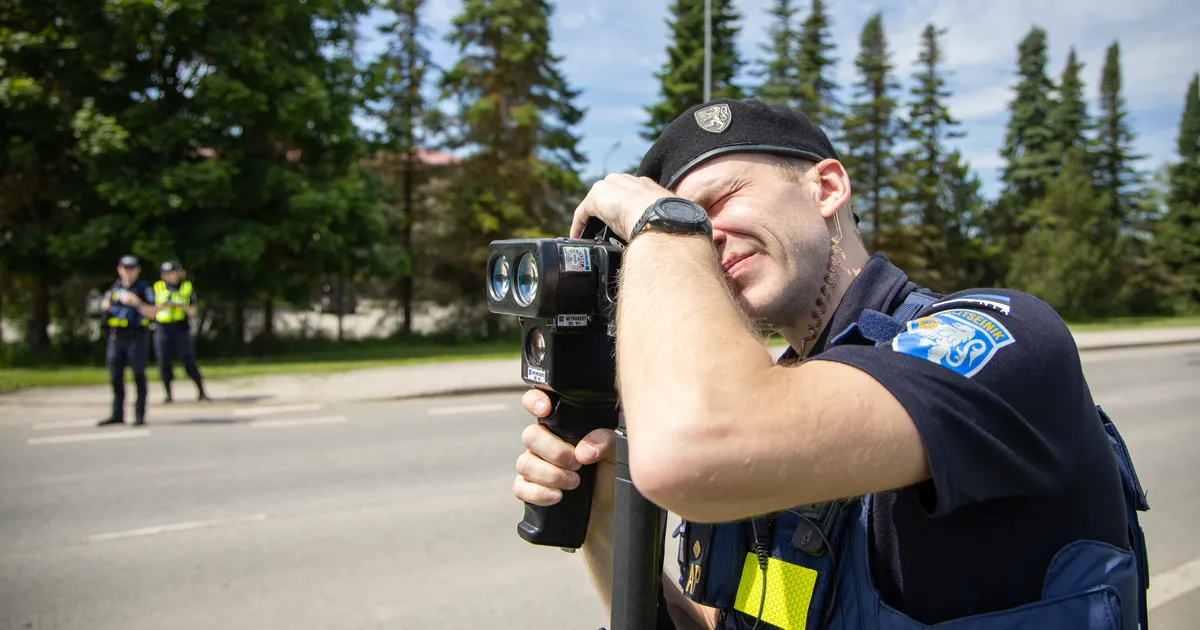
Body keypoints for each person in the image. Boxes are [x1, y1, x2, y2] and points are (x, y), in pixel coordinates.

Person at [511, 99, 1149, 629]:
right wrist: (598, 514)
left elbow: (695, 448)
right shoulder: (771, 391)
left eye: (717, 202)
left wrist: (661, 224)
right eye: (687, 224)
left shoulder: (1001, 339)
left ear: (826, 188)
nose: (701, 239)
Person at [98, 255, 157, 427]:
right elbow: (105, 308)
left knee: (138, 374)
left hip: (136, 336)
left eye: (132, 269)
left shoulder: (143, 289)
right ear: (119, 270)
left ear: (137, 270)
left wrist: (136, 303)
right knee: (115, 376)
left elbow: (153, 313)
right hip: (116, 336)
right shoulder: (114, 289)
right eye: (125, 269)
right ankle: (117, 413)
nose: (128, 273)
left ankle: (139, 414)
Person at [153, 261, 210, 403]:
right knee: (163, 361)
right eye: (167, 273)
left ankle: (201, 391)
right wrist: (163, 305)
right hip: (162, 327)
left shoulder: (186, 287)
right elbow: (152, 307)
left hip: (180, 327)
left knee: (188, 360)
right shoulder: (158, 287)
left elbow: (193, 311)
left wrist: (179, 306)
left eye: (173, 272)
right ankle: (168, 394)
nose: (170, 276)